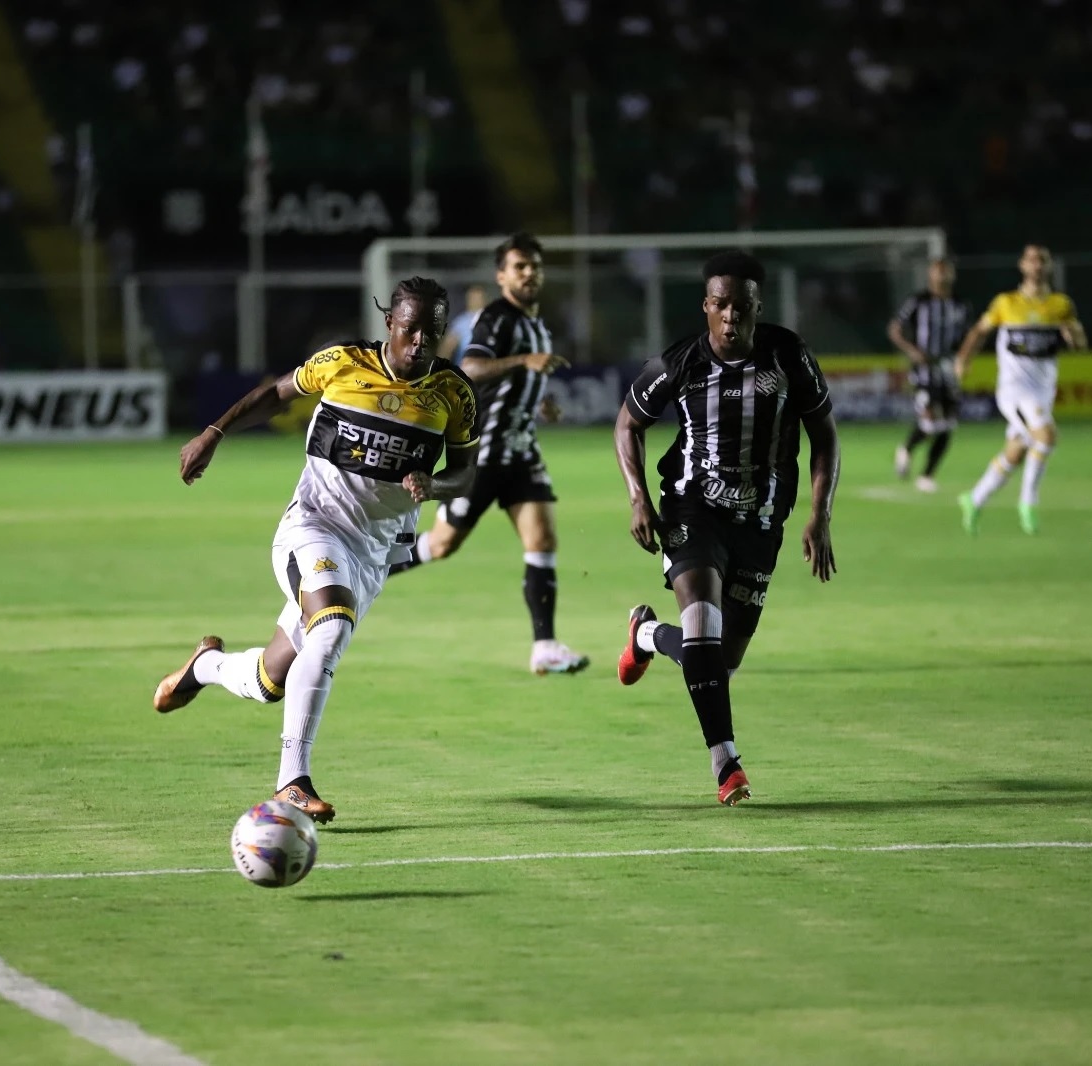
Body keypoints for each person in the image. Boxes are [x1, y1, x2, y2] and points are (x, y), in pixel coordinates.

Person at [151, 277, 479, 824]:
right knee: (329, 627)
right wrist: (214, 432)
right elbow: (275, 395)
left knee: (270, 680)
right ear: (390, 325)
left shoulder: (454, 392)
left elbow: (468, 471)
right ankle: (291, 783)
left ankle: (205, 666)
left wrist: (436, 483)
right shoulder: (343, 363)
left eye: (432, 331)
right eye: (410, 328)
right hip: (312, 525)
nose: (420, 340)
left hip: (372, 553)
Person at [613, 251, 840, 806]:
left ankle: (645, 635)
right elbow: (628, 423)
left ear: (758, 308)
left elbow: (825, 434)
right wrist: (640, 497)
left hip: (761, 521)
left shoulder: (787, 355)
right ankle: (726, 764)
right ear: (706, 307)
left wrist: (820, 514)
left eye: (742, 306)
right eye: (720, 305)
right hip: (692, 511)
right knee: (704, 630)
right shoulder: (681, 362)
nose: (731, 316)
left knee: (720, 659)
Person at [390, 232, 589, 676]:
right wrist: (524, 364)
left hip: (521, 454)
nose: (529, 273)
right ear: (502, 275)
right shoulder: (497, 318)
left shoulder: (536, 323)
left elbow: (512, 381)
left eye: (534, 265)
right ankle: (366, 571)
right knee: (441, 546)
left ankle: (545, 646)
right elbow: (471, 368)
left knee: (542, 541)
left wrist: (537, 400)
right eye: (519, 266)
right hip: (484, 457)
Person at [954, 245, 1086, 535]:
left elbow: (1079, 344)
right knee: (1047, 436)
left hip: (1043, 391)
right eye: (1031, 260)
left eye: (1042, 260)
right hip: (1014, 390)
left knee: (1016, 451)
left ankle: (974, 499)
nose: (1036, 265)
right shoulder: (1006, 303)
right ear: (1022, 266)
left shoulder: (1061, 305)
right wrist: (964, 359)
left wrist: (1073, 335)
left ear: (1048, 266)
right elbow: (979, 331)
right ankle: (1028, 501)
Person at [888, 258, 970, 492]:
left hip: (948, 368)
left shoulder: (960, 304)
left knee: (948, 424)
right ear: (930, 275)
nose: (943, 277)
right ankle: (907, 448)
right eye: (938, 272)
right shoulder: (918, 301)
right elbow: (895, 328)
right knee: (931, 419)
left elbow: (968, 335)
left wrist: (963, 359)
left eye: (947, 272)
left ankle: (927, 475)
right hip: (924, 370)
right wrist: (912, 351)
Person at [438, 283, 488, 365]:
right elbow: (447, 348)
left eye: (478, 298)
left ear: (485, 299)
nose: (475, 301)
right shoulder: (461, 322)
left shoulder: (493, 318)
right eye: (473, 298)